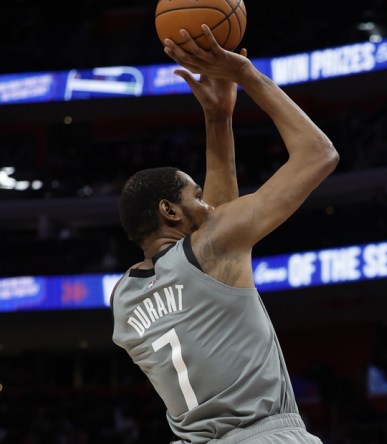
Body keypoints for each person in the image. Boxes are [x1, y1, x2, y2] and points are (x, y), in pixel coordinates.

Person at [111, 25, 338, 444]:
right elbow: (319, 153)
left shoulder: (123, 297)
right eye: (195, 196)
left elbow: (208, 233)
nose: (209, 205)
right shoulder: (211, 250)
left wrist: (218, 117)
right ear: (169, 210)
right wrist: (247, 75)